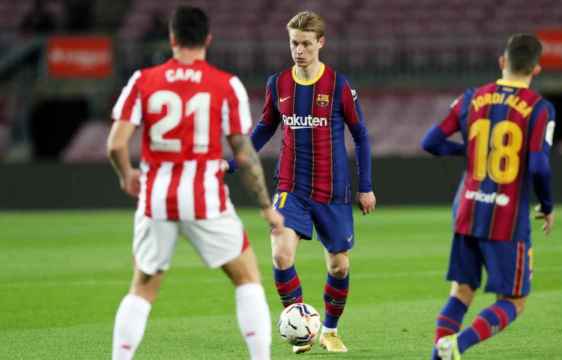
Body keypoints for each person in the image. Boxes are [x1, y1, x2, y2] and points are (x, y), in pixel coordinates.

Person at [106, 6, 284, 360]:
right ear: (208, 40)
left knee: (142, 288)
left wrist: (127, 174)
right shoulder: (225, 85)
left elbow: (114, 143)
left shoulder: (143, 80)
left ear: (171, 39)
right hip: (206, 198)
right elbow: (244, 155)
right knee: (247, 277)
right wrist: (266, 207)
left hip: (156, 198)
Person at [228, 10, 376, 354]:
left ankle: (329, 330)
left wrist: (365, 186)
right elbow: (264, 129)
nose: (299, 50)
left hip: (332, 190)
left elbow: (362, 136)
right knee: (281, 254)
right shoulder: (277, 84)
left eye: (306, 44)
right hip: (290, 186)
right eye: (294, 43)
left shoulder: (339, 85)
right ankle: (299, 325)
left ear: (320, 43)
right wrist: (233, 162)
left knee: (338, 265)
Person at [421, 33, 555, 360]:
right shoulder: (539, 109)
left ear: (502, 61)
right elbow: (538, 166)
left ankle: (438, 356)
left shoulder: (472, 97)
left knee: (462, 292)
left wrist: (468, 153)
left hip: (467, 208)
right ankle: (457, 346)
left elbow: (430, 142)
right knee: (513, 301)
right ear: (536, 69)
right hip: (506, 219)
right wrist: (547, 205)